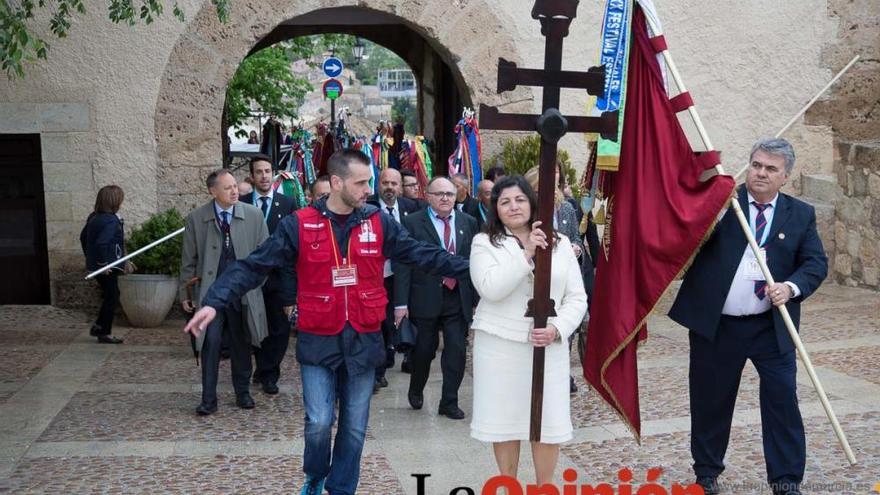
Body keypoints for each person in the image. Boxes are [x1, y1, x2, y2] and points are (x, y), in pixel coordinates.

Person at [184, 149, 469, 495]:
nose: (369, 190)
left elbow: (422, 253)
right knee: (319, 422)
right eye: (361, 183)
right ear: (336, 182)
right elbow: (253, 266)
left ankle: (341, 488)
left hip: (364, 338)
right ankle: (316, 473)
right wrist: (214, 301)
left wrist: (473, 267)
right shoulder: (299, 224)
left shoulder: (378, 222)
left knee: (354, 426)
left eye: (370, 182)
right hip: (319, 337)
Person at [669, 138, 828, 495]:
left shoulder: (800, 214)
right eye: (756, 165)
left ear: (785, 176)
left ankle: (786, 480)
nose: (760, 173)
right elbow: (684, 236)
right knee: (710, 400)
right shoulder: (723, 203)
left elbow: (815, 264)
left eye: (771, 169)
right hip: (718, 325)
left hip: (770, 326)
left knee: (783, 400)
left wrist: (790, 287)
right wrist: (708, 211)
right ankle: (706, 473)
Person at [468, 175, 587, 485]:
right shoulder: (484, 243)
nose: (513, 206)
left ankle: (544, 486)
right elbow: (490, 288)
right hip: (499, 346)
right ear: (496, 209)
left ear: (532, 203)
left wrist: (558, 329)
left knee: (546, 421)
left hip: (547, 345)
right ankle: (508, 485)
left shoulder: (558, 243)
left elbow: (576, 296)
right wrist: (527, 254)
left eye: (519, 199)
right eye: (505, 201)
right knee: (504, 421)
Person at [179, 169, 269, 416]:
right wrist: (185, 293)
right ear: (212, 191)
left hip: (242, 293)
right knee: (210, 343)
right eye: (227, 187)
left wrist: (257, 285)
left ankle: (243, 392)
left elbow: (265, 255)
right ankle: (208, 399)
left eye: (235, 186)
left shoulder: (254, 215)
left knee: (243, 343)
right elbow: (188, 260)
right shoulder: (196, 219)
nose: (234, 191)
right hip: (210, 296)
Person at [393, 176, 479, 419]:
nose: (445, 198)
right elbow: (403, 263)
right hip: (425, 296)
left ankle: (449, 401)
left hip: (456, 296)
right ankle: (416, 387)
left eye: (450, 194)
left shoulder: (468, 222)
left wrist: (475, 300)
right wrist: (401, 303)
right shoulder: (412, 223)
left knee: (456, 349)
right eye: (439, 194)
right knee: (424, 349)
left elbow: (474, 262)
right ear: (428, 196)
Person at [240, 154, 297, 395]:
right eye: (259, 172)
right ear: (252, 177)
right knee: (252, 326)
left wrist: (290, 289)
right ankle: (259, 368)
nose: (264, 176)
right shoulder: (241, 202)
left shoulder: (287, 204)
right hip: (250, 277)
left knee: (279, 329)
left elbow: (292, 246)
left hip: (277, 277)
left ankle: (269, 372)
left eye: (268, 171)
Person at [367, 168, 421, 389]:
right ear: (378, 184)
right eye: (385, 182)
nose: (389, 187)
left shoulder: (413, 208)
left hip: (404, 274)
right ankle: (379, 370)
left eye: (394, 183)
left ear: (400, 186)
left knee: (404, 317)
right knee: (379, 323)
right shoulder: (367, 207)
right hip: (376, 275)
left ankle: (406, 354)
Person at [80, 185, 129, 344]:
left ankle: (100, 328)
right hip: (107, 267)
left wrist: (91, 259)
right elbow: (102, 243)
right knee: (112, 296)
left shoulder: (94, 216)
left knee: (111, 295)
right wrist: (103, 264)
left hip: (101, 265)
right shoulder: (110, 220)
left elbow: (83, 238)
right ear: (114, 201)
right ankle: (103, 331)